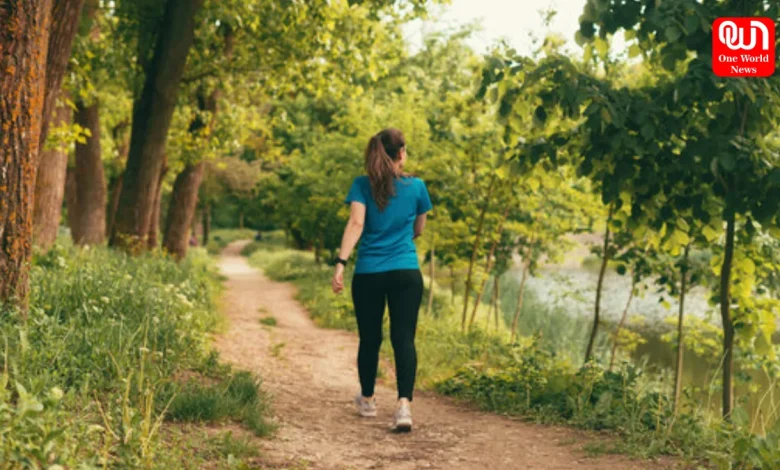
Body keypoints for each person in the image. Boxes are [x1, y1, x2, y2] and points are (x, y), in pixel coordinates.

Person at [331, 128, 432, 433]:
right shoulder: (417, 187)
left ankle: (368, 399)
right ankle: (403, 406)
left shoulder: (362, 185)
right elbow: (419, 229)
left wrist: (340, 263)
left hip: (369, 272)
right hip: (406, 272)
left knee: (370, 337)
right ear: (401, 153)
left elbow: (357, 222)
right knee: (403, 338)